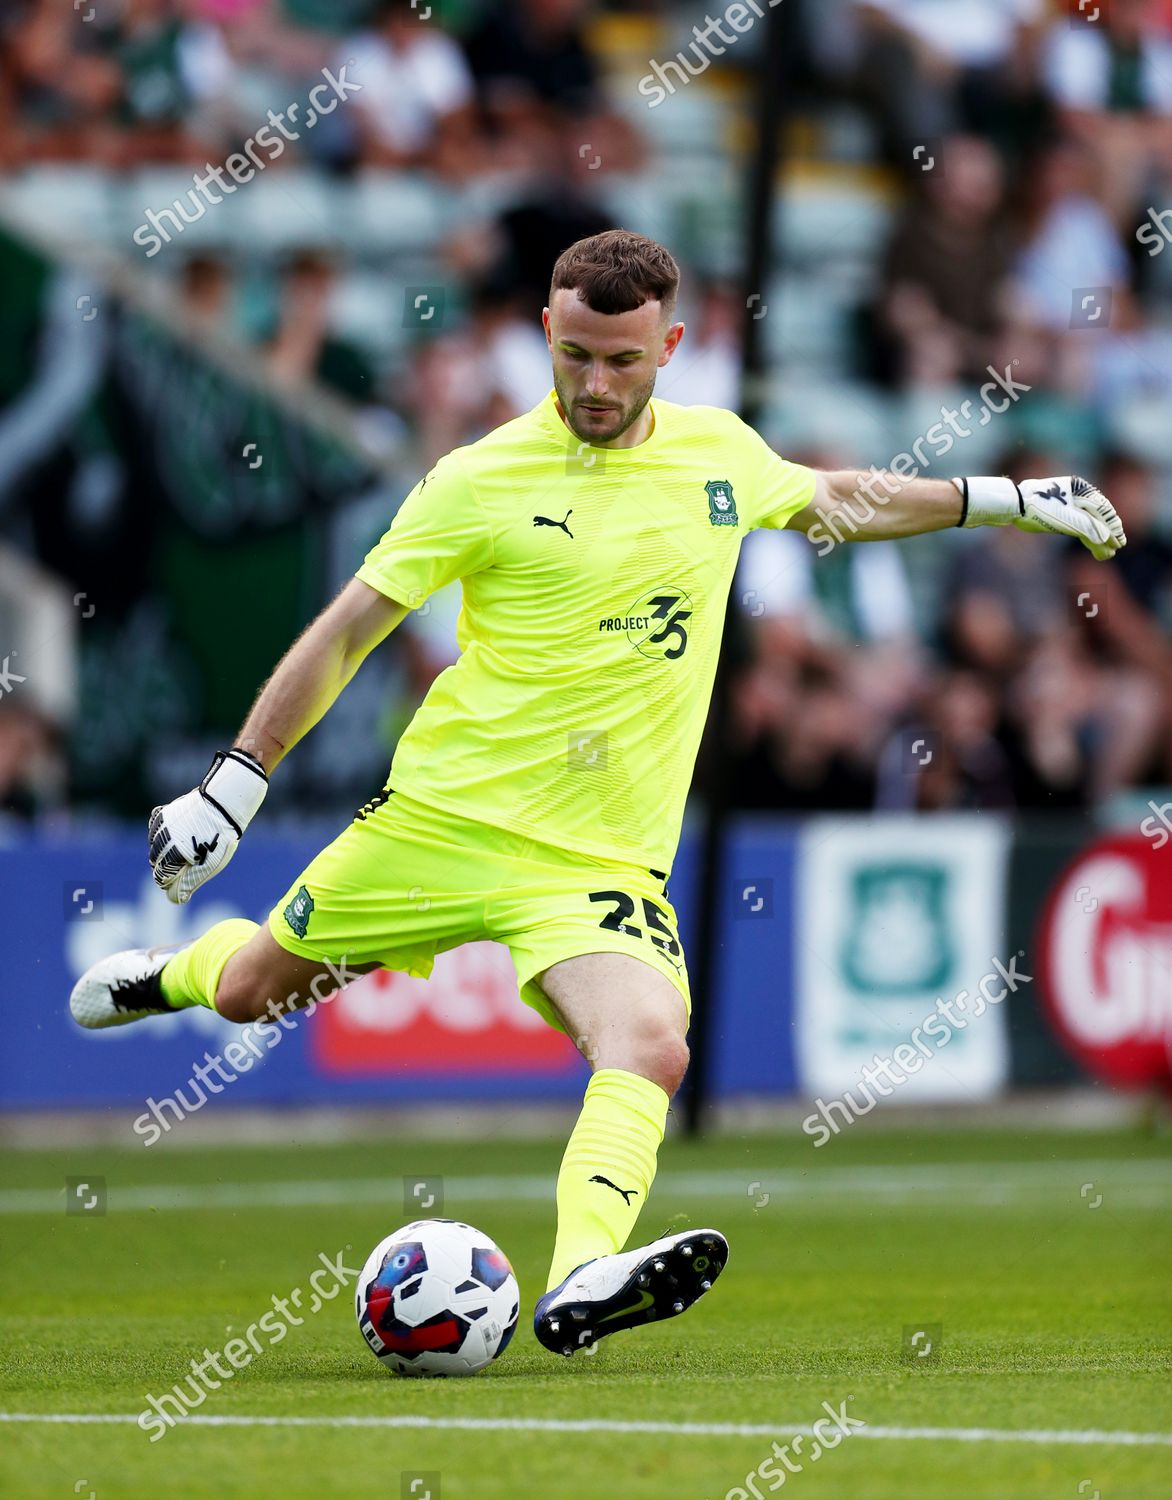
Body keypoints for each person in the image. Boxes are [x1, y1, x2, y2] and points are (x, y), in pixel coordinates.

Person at [69, 230, 1127, 1358]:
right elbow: (346, 635)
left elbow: (837, 499)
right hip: (439, 823)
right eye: (574, 355)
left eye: (622, 361)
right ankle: (172, 971)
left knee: (651, 1044)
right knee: (249, 992)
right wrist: (233, 787)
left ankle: (579, 1277)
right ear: (544, 334)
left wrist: (1001, 495)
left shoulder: (719, 455)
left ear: (670, 346)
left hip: (592, 867)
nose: (593, 384)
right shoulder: (476, 479)